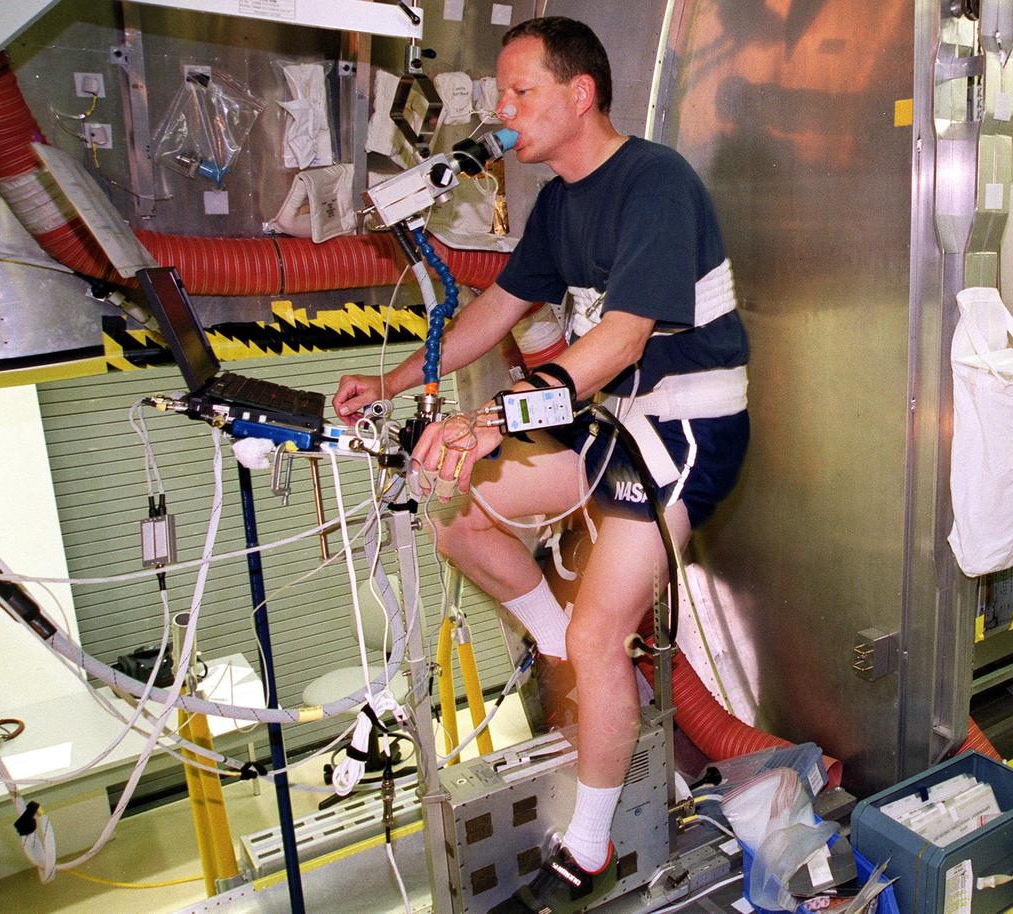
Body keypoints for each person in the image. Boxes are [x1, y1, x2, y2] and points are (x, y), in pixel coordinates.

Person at [333, 16, 749, 912]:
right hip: (612, 420)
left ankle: (588, 846)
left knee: (606, 631)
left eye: (519, 92)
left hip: (687, 427)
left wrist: (491, 419)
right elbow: (493, 310)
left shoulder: (655, 181)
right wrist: (391, 378)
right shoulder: (560, 202)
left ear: (579, 93)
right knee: (456, 516)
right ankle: (568, 651)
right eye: (499, 96)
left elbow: (624, 334)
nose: (504, 111)